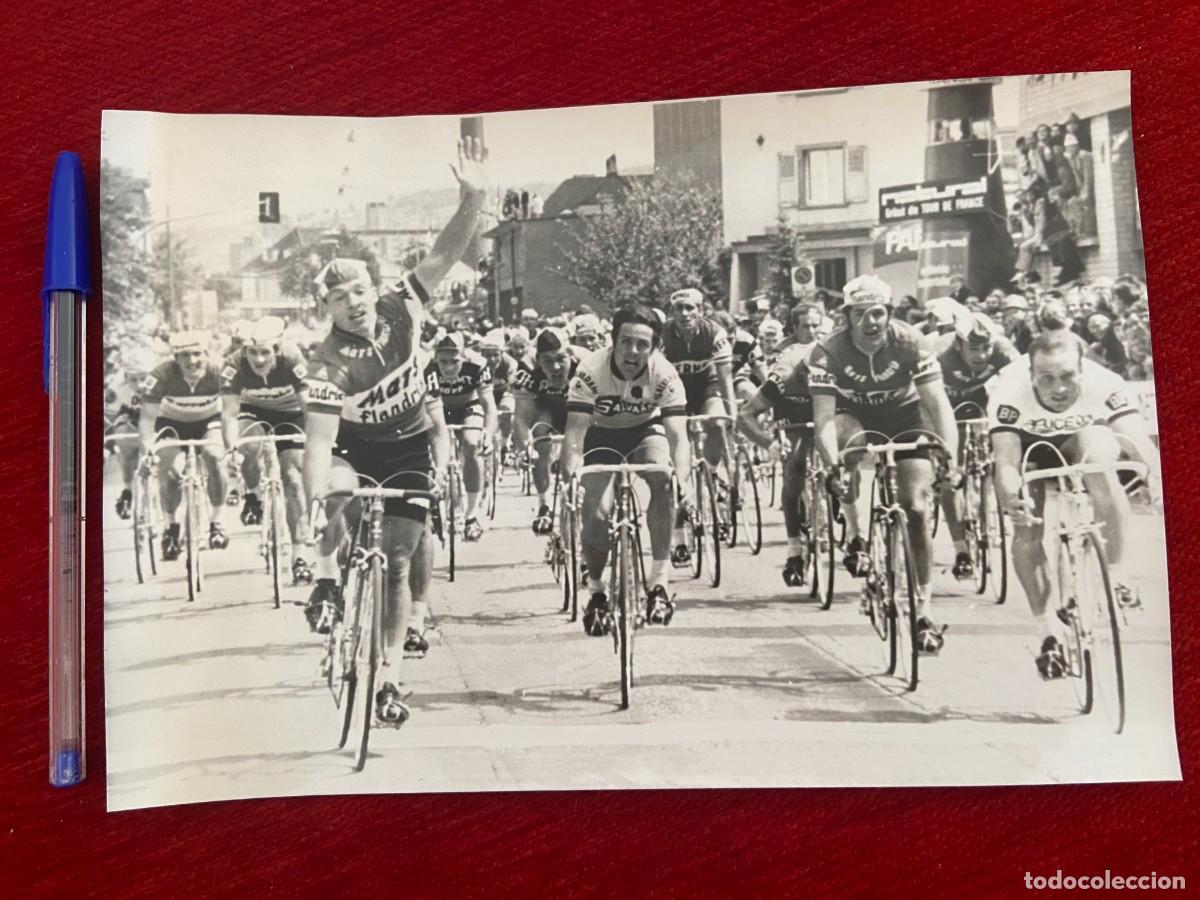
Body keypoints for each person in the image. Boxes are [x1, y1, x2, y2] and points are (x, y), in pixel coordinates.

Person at [302, 136, 486, 725]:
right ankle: (328, 580)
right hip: (355, 449)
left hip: (408, 446)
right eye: (337, 297)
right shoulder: (327, 361)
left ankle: (388, 679)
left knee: (400, 560)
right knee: (332, 491)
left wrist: (473, 197)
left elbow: (446, 251)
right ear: (326, 310)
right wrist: (315, 498)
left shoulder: (402, 307)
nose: (352, 302)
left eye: (357, 289)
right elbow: (320, 443)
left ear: (372, 287)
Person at [988, 330, 1162, 679]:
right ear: (1031, 375)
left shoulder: (1106, 382)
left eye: (1067, 376)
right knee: (1026, 525)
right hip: (1028, 445)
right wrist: (1011, 499)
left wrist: (1156, 480)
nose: (1059, 388)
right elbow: (1006, 460)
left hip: (1081, 435)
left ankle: (1115, 577)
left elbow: (1136, 441)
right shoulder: (1008, 390)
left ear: (1083, 368)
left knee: (1100, 462)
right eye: (1046, 378)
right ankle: (1048, 632)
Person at [808, 275, 958, 654]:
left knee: (918, 508)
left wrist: (950, 455)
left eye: (877, 313)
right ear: (847, 318)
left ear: (889, 314)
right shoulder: (827, 351)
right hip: (852, 414)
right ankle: (857, 533)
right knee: (850, 445)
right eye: (861, 314)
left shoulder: (912, 342)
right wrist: (832, 467)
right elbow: (824, 418)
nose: (870, 322)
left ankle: (922, 610)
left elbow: (938, 404)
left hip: (906, 417)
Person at [561, 304, 692, 634]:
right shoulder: (590, 370)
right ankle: (596, 592)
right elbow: (574, 435)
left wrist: (683, 479)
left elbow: (678, 437)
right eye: (626, 342)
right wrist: (572, 476)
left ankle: (658, 584)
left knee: (663, 479)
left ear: (654, 347)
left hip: (644, 431)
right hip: (600, 434)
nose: (633, 352)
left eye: (643, 344)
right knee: (595, 514)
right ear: (613, 341)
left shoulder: (665, 374)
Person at [219, 316, 313, 585]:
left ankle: (299, 556)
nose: (258, 360)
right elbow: (229, 414)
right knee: (247, 447)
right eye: (252, 353)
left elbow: (307, 405)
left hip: (290, 413)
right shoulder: (234, 365)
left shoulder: (293, 358)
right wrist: (231, 448)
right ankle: (252, 494)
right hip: (253, 411)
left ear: (278, 348)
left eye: (265, 352)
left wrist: (315, 440)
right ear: (244, 350)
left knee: (293, 478)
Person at [932, 311, 1018, 579]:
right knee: (950, 474)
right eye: (974, 348)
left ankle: (988, 503)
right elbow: (925, 400)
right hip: (945, 406)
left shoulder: (1003, 349)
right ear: (959, 344)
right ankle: (961, 550)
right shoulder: (940, 354)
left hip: (980, 402)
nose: (981, 355)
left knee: (994, 457)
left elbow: (1019, 384)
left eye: (986, 348)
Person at [137, 331, 231, 560]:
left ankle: (217, 522)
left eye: (197, 354)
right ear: (175, 359)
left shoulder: (219, 371)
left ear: (207, 354)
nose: (192, 361)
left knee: (214, 456)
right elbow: (148, 419)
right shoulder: (161, 374)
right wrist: (148, 450)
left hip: (210, 421)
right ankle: (171, 527)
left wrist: (231, 446)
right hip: (171, 423)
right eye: (184, 356)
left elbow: (231, 411)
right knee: (169, 470)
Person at [738, 338, 817, 584]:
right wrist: (768, 444)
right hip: (793, 413)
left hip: (830, 410)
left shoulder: (839, 368)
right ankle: (794, 551)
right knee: (794, 466)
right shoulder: (783, 378)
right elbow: (745, 415)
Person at [426, 331, 497, 542]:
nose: (448, 367)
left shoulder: (477, 364)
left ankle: (471, 517)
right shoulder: (425, 367)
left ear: (464, 356)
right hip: (437, 410)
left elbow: (489, 405)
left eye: (454, 361)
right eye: (443, 361)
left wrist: (489, 434)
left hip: (468, 406)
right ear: (436, 357)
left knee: (471, 443)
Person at [661, 287, 735, 476]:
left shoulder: (714, 333)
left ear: (700, 311)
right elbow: (655, 377)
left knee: (718, 423)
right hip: (676, 390)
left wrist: (731, 416)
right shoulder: (663, 336)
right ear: (672, 313)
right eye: (678, 308)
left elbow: (725, 379)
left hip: (707, 386)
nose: (684, 314)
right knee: (672, 434)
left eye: (689, 308)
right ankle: (680, 480)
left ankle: (710, 472)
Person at [513, 327, 578, 533]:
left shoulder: (586, 365)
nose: (556, 367)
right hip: (547, 409)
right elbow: (522, 418)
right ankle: (545, 505)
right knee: (540, 435)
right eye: (548, 361)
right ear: (538, 359)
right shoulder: (526, 370)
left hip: (578, 410)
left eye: (561, 359)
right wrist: (525, 447)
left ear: (571, 355)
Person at [106, 346, 158, 519]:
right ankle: (128, 490)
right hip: (129, 416)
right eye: (133, 380)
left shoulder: (163, 380)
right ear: (125, 376)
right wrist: (108, 443)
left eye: (143, 378)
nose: (139, 385)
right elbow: (108, 416)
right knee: (126, 447)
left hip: (157, 417)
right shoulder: (115, 387)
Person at [478, 329, 519, 462]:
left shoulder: (510, 363)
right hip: (483, 394)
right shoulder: (477, 364)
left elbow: (512, 389)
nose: (491, 359)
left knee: (507, 410)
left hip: (503, 393)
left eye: (495, 355)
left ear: (502, 353)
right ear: (481, 354)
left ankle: (505, 443)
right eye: (487, 355)